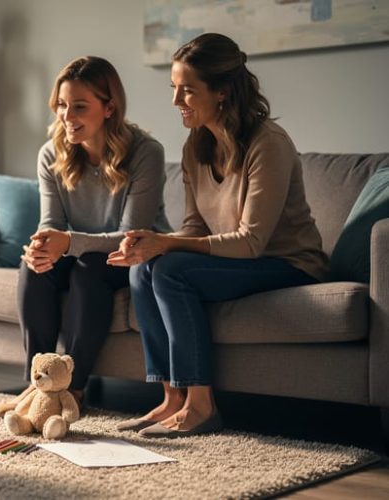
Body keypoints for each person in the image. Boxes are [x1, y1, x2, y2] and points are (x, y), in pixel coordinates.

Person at [108, 33, 328, 437]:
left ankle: (202, 406)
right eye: (174, 89)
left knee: (171, 268)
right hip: (237, 261)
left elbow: (251, 241)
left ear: (223, 91)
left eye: (187, 91)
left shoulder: (269, 144)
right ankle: (172, 398)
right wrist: (150, 243)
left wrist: (168, 243)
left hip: (287, 263)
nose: (176, 102)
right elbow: (195, 228)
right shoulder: (197, 146)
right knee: (144, 268)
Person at [15, 56, 170, 410]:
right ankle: (37, 385)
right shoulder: (51, 153)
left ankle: (74, 387)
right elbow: (50, 223)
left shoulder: (147, 153)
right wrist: (42, 246)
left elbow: (132, 234)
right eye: (62, 106)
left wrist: (68, 243)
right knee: (34, 269)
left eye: (80, 107)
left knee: (88, 271)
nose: (67, 117)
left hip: (133, 255)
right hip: (79, 250)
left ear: (109, 108)